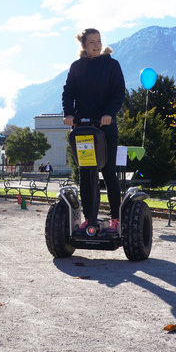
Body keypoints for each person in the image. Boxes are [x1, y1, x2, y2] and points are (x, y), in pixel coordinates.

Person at [62, 28, 125, 232]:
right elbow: (68, 91)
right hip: (84, 129)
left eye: (99, 41)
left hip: (106, 129)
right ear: (84, 45)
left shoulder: (111, 65)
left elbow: (118, 93)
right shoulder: (77, 67)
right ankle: (89, 219)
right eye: (92, 42)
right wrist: (69, 114)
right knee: (86, 173)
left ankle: (116, 218)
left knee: (108, 172)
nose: (97, 45)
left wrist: (109, 113)